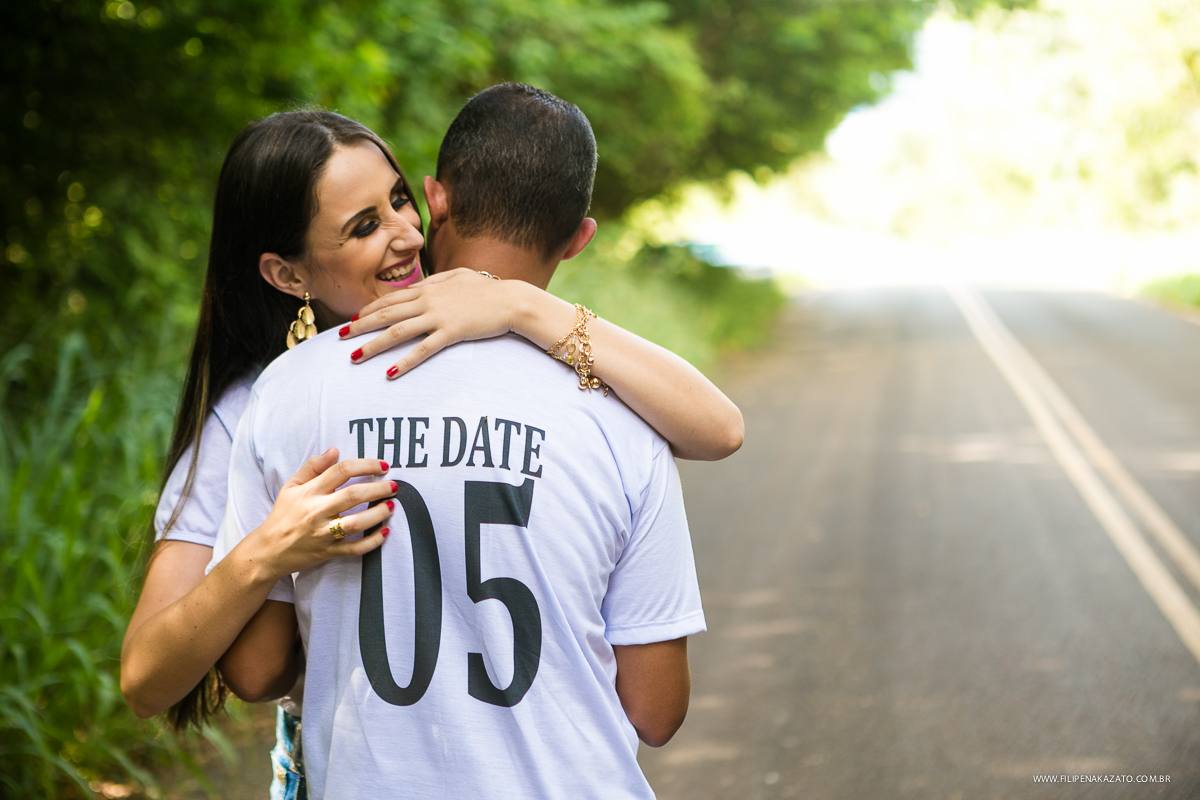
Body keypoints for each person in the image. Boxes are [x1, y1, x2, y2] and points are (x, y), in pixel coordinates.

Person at [119, 108, 738, 793]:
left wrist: (518, 306)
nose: (408, 235)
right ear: (289, 275)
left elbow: (719, 427)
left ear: (433, 198)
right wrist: (267, 552)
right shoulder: (253, 410)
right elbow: (154, 677)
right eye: (363, 226)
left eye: (400, 201)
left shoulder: (291, 394)